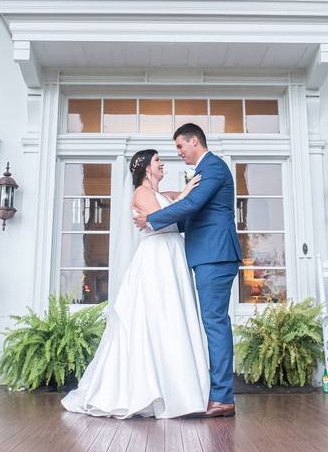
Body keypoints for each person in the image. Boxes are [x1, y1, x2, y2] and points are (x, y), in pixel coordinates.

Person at [62, 150, 208, 418]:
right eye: (157, 161)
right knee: (157, 317)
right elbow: (166, 218)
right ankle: (152, 390)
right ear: (145, 168)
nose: (162, 163)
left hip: (172, 255)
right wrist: (182, 197)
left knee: (173, 318)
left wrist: (187, 190)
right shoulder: (141, 193)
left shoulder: (164, 194)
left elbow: (179, 206)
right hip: (157, 258)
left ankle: (178, 387)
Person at [134, 124, 242, 418]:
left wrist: (153, 219)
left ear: (194, 141)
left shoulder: (213, 169)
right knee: (211, 323)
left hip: (215, 255)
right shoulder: (203, 172)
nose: (178, 153)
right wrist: (162, 219)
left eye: (180, 147)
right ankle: (214, 392)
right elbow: (193, 216)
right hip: (207, 255)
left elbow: (192, 204)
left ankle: (222, 398)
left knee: (215, 323)